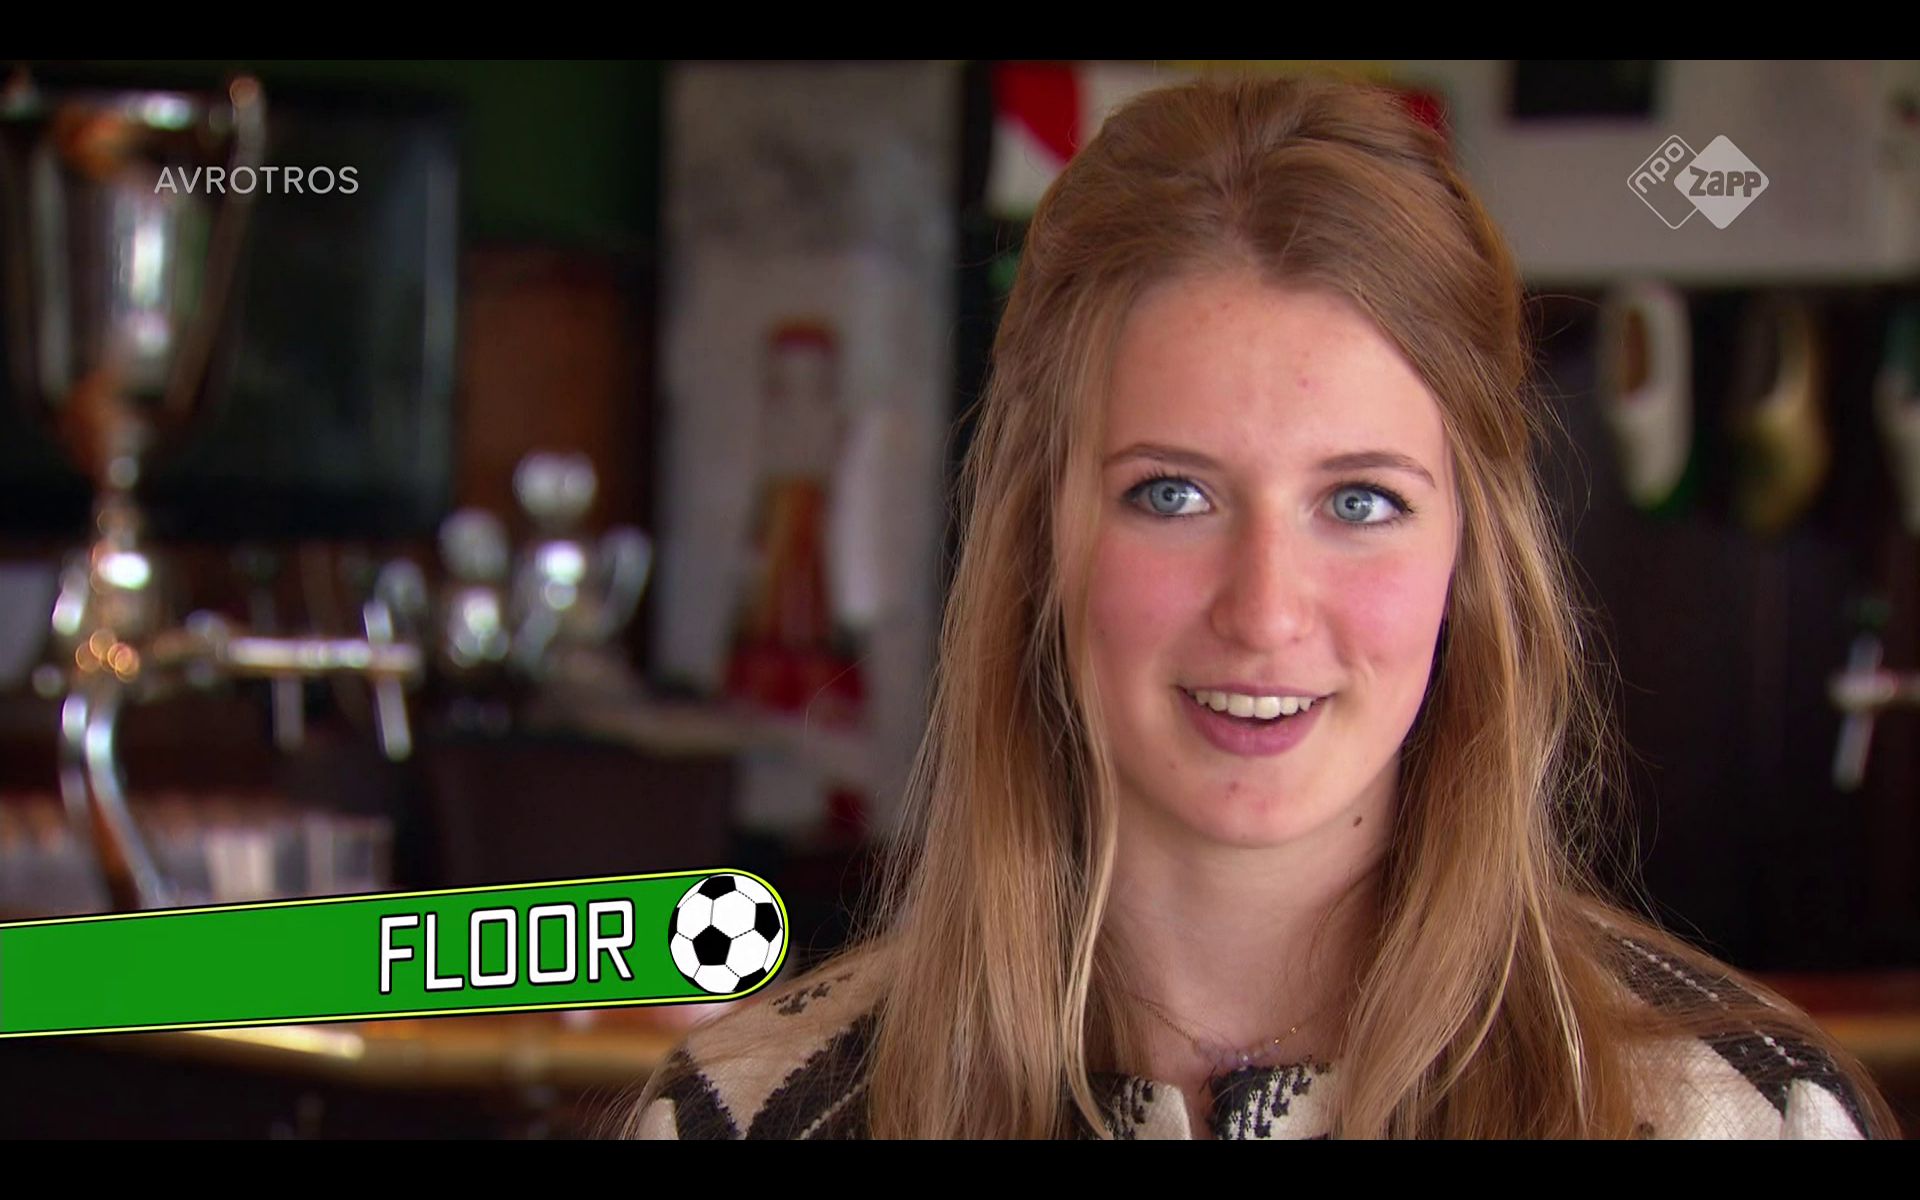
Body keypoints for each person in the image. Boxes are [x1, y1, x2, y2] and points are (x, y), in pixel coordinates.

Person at [618, 74, 1900, 1140]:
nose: (1266, 611)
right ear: (1037, 542)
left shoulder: (1743, 1118)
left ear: (1473, 556)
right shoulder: (746, 1116)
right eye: (1172, 494)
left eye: (1361, 501)